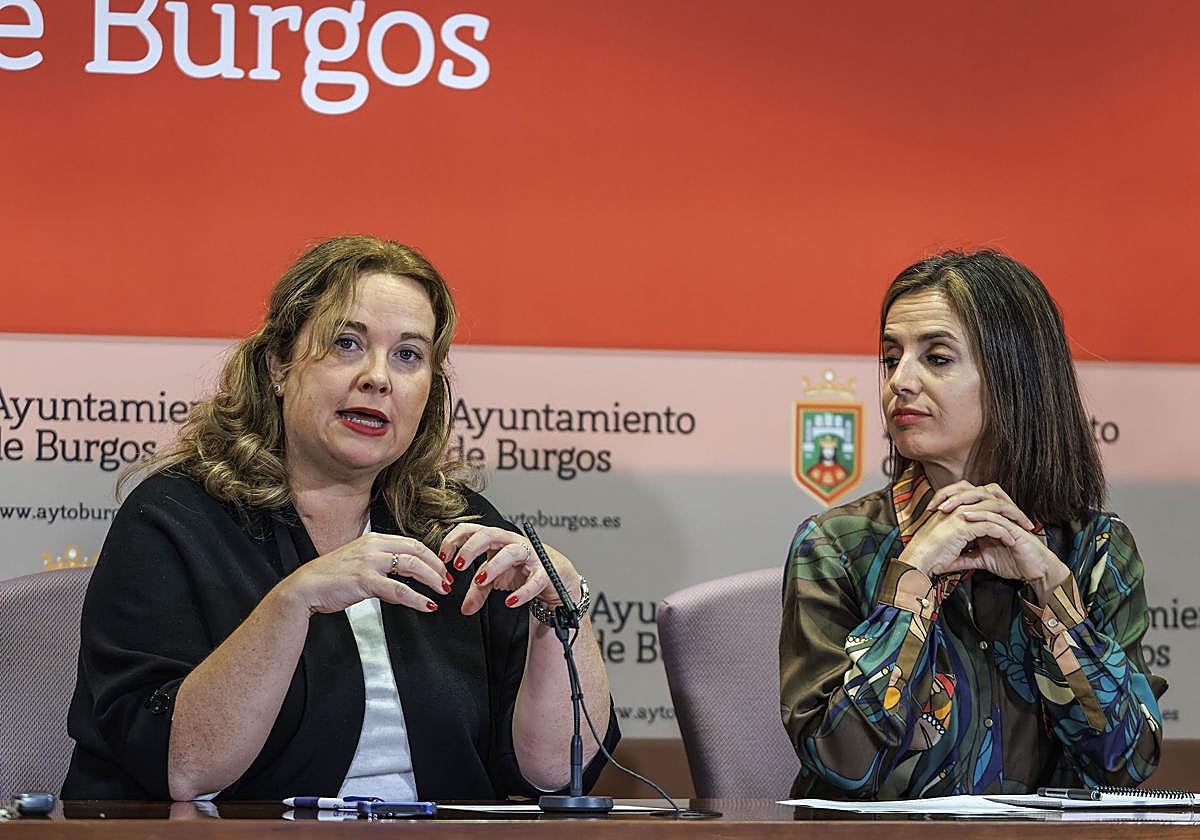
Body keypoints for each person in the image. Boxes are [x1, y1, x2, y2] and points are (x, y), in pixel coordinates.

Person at [62, 235, 618, 801]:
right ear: (278, 364)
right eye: (346, 344)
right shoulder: (175, 518)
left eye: (408, 355)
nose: (378, 378)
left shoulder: (455, 526)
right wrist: (292, 602)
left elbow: (552, 774)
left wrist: (561, 608)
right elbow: (183, 768)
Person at [780, 250, 1165, 799]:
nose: (900, 382)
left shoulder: (1095, 549)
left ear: (1014, 379)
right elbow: (842, 763)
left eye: (936, 359)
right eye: (891, 358)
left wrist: (1051, 594)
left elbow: (1126, 765)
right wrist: (909, 583)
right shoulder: (837, 546)